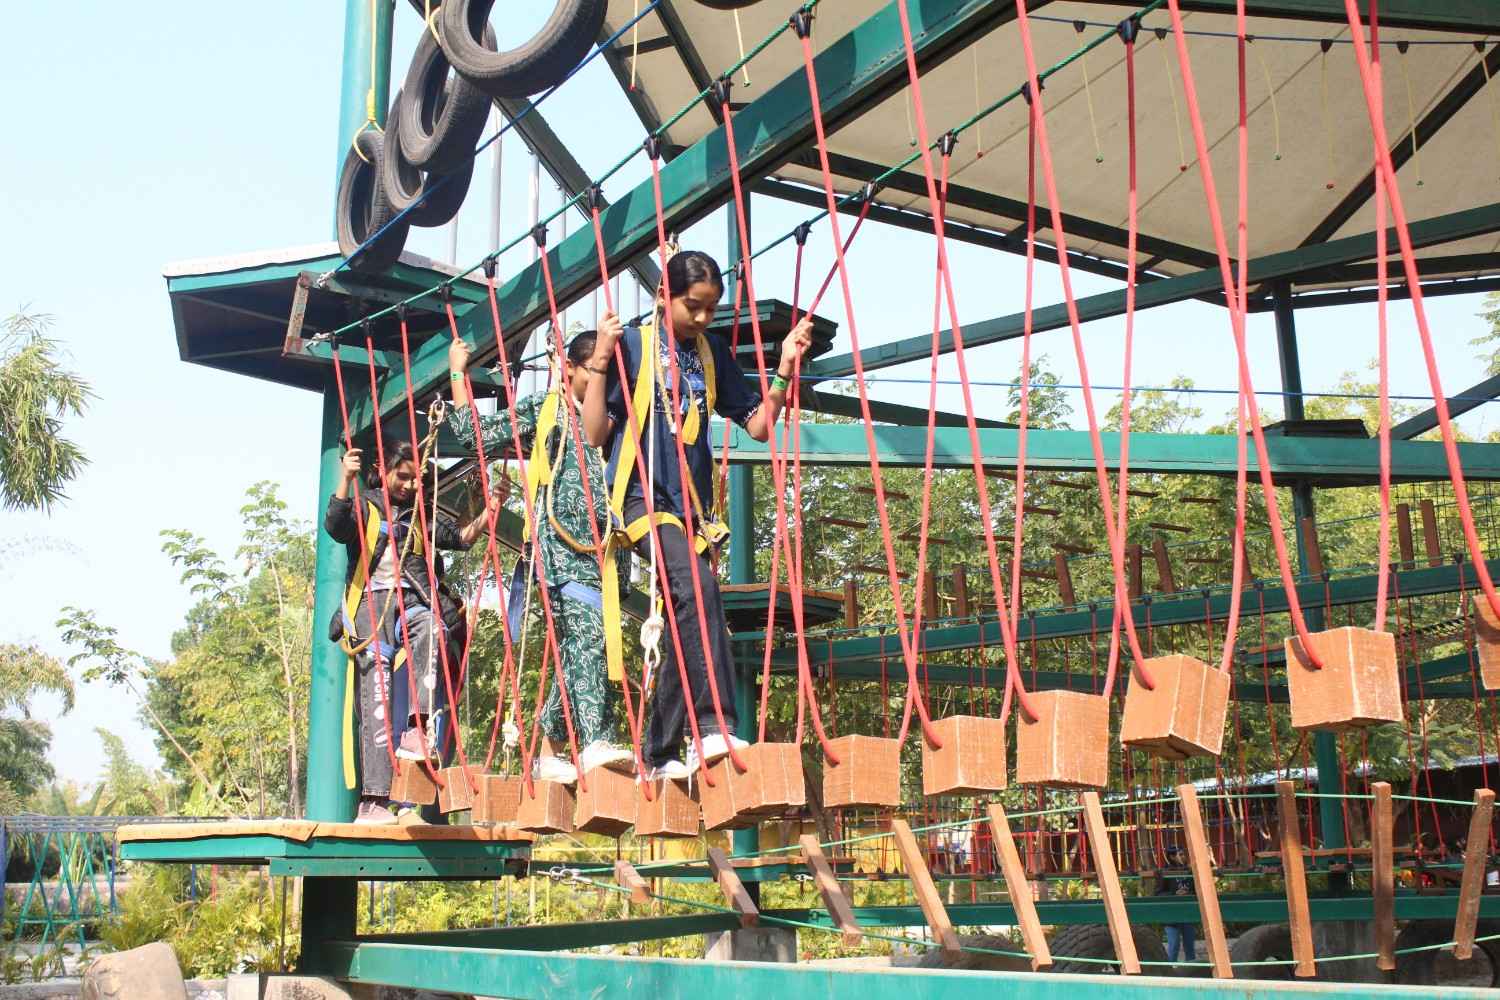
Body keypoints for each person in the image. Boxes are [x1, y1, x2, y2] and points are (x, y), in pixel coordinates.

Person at [582, 249, 813, 779]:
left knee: (689, 616)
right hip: (641, 500)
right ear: (664, 296)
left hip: (690, 509)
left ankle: (659, 752)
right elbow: (595, 433)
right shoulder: (634, 347)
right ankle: (713, 724)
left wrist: (783, 370)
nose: (704, 317)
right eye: (694, 306)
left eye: (712, 308)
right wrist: (600, 362)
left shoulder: (710, 354)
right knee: (700, 589)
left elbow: (758, 426)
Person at [446, 329, 633, 784]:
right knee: (587, 639)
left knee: (581, 650)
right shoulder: (547, 409)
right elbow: (473, 435)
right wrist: (457, 374)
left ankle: (549, 748)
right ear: (569, 368)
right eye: (596, 370)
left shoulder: (619, 417)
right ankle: (596, 739)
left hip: (608, 556)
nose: (604, 381)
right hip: (562, 550)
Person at [325, 439, 499, 824]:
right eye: (402, 477)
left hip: (411, 598)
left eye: (416, 479)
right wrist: (345, 479)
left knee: (433, 630)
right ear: (382, 471)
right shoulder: (366, 506)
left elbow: (460, 538)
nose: (410, 485)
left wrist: (490, 511)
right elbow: (336, 526)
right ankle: (373, 801)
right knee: (378, 698)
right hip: (371, 603)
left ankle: (418, 730)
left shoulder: (420, 514)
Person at [1158, 845, 1197, 966]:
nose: (1184, 857)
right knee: (1174, 945)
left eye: (1183, 854)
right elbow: (1158, 893)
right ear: (1172, 857)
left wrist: (1188, 893)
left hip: (1187, 913)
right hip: (1172, 915)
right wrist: (1174, 894)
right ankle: (1170, 970)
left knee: (1190, 946)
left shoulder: (1189, 872)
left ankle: (1192, 970)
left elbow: (1196, 890)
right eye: (1180, 855)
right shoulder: (1164, 873)